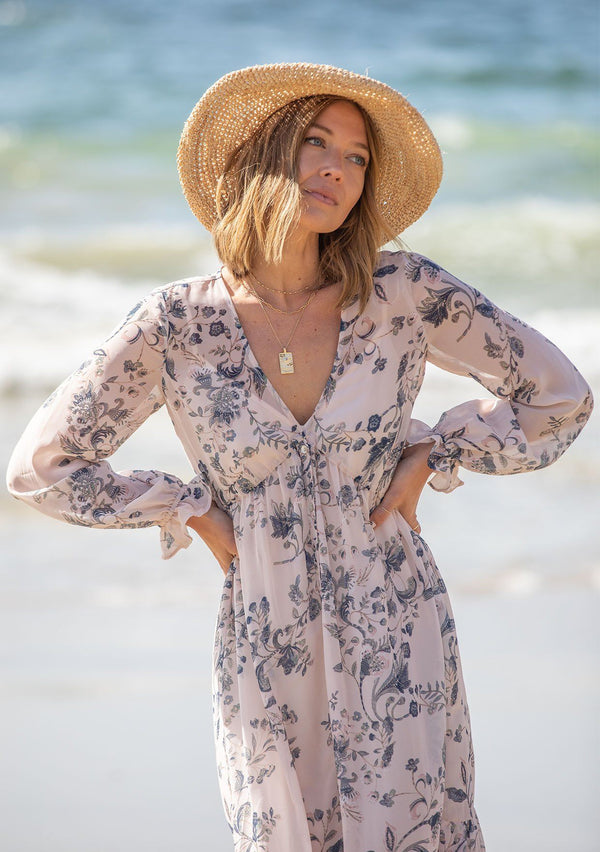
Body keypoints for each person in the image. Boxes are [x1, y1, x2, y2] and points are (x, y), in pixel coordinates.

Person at [6, 62, 593, 852]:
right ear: (260, 155)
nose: (337, 171)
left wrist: (437, 451)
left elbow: (559, 396)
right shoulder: (176, 324)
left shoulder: (403, 292)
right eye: (316, 142)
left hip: (397, 622)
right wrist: (190, 509)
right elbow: (41, 466)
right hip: (267, 638)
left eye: (356, 159)